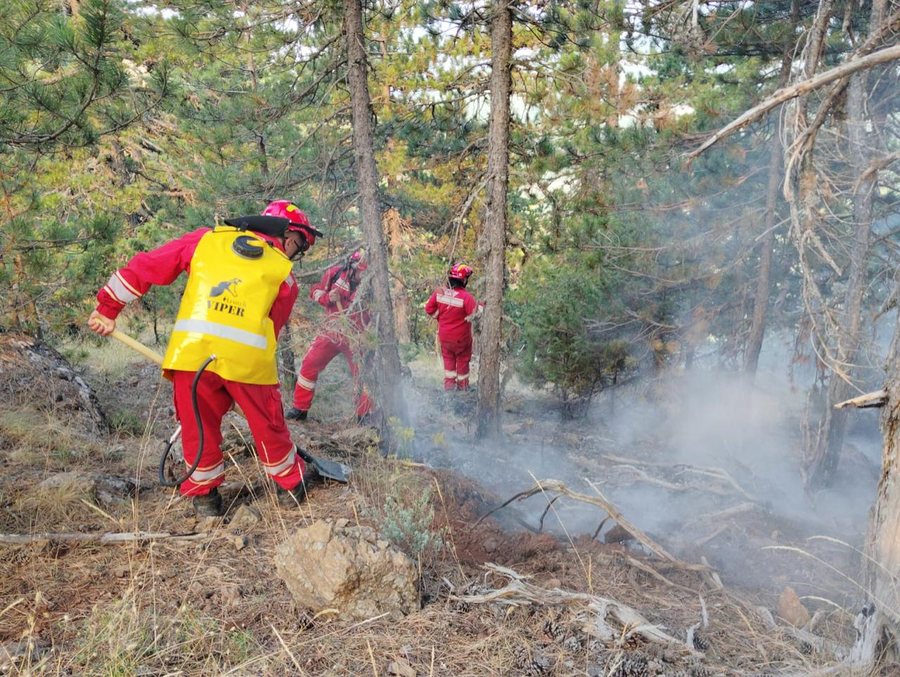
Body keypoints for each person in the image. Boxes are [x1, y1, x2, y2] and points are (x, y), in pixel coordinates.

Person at [87, 200, 324, 517]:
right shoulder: (284, 276)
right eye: (299, 245)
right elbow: (272, 331)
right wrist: (240, 389)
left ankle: (205, 500)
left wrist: (107, 308)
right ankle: (292, 485)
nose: (296, 254)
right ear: (287, 233)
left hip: (192, 358)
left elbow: (146, 266)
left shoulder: (204, 239)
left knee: (197, 428)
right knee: (269, 427)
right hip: (248, 365)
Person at [286, 249, 374, 423]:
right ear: (351, 266)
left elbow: (377, 314)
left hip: (355, 337)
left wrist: (367, 335)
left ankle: (364, 416)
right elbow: (315, 292)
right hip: (330, 332)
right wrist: (327, 297)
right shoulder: (335, 274)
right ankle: (300, 409)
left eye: (364, 273)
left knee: (362, 374)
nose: (360, 276)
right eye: (358, 271)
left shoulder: (374, 285)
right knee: (309, 364)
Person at [424, 263, 482, 391]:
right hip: (462, 341)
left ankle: (449, 392)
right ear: (464, 280)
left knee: (449, 367)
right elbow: (476, 314)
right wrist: (483, 305)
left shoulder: (440, 293)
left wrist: (439, 316)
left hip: (445, 339)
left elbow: (428, 309)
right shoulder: (466, 298)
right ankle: (463, 390)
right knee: (462, 366)